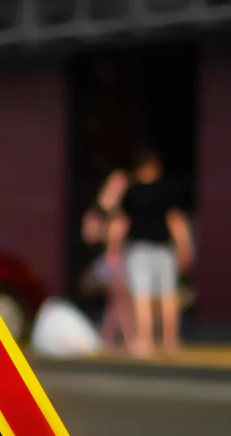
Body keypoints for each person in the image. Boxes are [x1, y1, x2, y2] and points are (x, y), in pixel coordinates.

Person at [109, 148, 194, 357]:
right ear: (156, 168)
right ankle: (170, 340)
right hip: (162, 250)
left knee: (142, 297)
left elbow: (120, 224)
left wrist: (113, 250)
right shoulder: (165, 191)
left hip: (139, 251)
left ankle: (145, 342)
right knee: (167, 296)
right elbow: (175, 221)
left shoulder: (131, 193)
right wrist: (185, 247)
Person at [81, 169, 132, 350]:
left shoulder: (122, 210)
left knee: (117, 301)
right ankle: (123, 338)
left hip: (120, 261)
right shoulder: (100, 212)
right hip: (110, 263)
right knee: (121, 299)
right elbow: (89, 236)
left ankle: (109, 337)